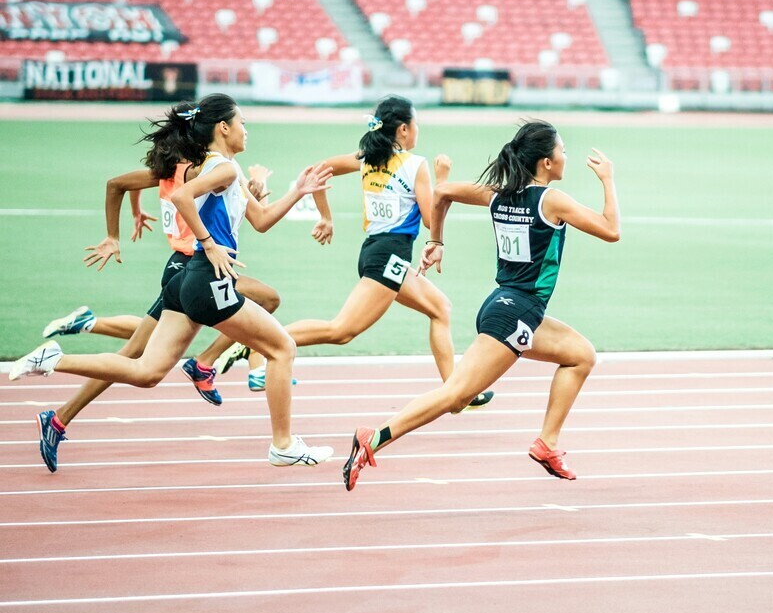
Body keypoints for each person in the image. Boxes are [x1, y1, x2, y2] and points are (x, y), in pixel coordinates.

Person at [12, 93, 334, 468]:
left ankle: (54, 359)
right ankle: (282, 444)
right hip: (204, 278)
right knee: (282, 348)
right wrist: (210, 244)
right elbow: (180, 196)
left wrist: (298, 191)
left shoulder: (226, 169)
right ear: (223, 127)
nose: (248, 129)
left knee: (146, 371)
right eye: (243, 122)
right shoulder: (222, 169)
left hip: (188, 280)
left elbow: (260, 220)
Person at [340, 120, 620, 490]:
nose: (565, 155)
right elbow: (611, 230)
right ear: (546, 163)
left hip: (509, 307)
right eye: (562, 150)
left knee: (581, 355)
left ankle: (547, 443)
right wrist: (608, 180)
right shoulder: (551, 200)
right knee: (455, 397)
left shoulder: (497, 194)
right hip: (515, 313)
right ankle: (374, 437)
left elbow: (443, 193)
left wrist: (436, 240)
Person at [31, 137, 281, 471]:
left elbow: (125, 184)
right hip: (191, 266)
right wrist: (115, 235)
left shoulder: (181, 170)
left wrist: (137, 210)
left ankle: (60, 417)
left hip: (192, 268)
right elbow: (119, 185)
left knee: (136, 353)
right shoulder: (192, 171)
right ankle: (204, 363)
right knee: (264, 300)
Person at [258, 96, 493, 409]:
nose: (418, 129)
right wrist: (443, 180)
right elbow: (429, 218)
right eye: (416, 124)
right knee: (341, 331)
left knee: (440, 308)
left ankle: (456, 394)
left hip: (377, 253)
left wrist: (325, 216)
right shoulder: (415, 165)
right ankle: (259, 341)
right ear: (405, 130)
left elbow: (316, 170)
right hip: (391, 257)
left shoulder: (367, 157)